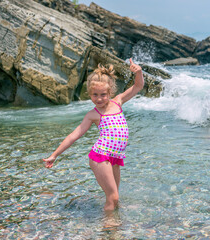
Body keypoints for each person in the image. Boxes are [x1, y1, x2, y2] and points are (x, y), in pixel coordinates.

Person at [43, 58, 144, 212]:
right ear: (89, 94)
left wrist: (138, 72)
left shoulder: (118, 102)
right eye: (94, 95)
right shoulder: (93, 114)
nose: (99, 99)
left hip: (115, 156)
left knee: (115, 195)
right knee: (113, 196)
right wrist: (55, 154)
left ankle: (115, 218)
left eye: (103, 94)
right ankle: (109, 228)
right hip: (100, 156)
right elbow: (74, 135)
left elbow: (138, 86)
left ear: (110, 92)